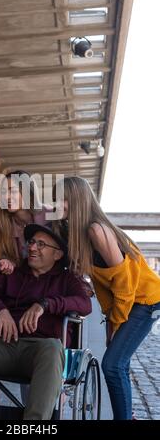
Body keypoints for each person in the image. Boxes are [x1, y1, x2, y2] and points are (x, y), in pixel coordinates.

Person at [0, 224, 92, 420]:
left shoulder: (67, 280)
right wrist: (0, 309)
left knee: (52, 346)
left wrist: (45, 304)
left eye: (41, 244)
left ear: (57, 254)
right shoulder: (13, 275)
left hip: (41, 352)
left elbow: (85, 304)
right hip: (3, 346)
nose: (32, 248)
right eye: (32, 242)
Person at [52, 175, 160, 420]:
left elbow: (124, 283)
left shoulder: (96, 230)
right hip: (130, 300)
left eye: (63, 200)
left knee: (112, 364)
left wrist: (116, 322)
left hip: (146, 299)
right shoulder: (78, 233)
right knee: (119, 362)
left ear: (77, 200)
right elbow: (106, 281)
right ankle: (127, 413)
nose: (57, 205)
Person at [0, 170, 50, 275]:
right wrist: (5, 261)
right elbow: (0, 255)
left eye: (13, 191)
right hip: (20, 282)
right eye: (4, 192)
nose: (6, 197)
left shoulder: (50, 215)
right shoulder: (1, 226)